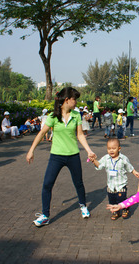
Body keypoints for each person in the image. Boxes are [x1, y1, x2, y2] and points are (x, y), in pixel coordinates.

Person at [27, 87, 97, 226]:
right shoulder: (53, 117)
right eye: (74, 99)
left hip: (73, 155)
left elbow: (80, 135)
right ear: (66, 100)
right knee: (47, 184)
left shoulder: (76, 115)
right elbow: (41, 134)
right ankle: (45, 215)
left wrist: (89, 150)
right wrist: (31, 150)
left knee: (78, 183)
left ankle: (83, 206)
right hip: (56, 156)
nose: (76, 102)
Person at [91, 138, 139, 220]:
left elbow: (129, 167)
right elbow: (99, 166)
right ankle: (115, 211)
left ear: (119, 148)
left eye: (114, 148)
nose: (111, 150)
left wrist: (135, 172)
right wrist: (94, 161)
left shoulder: (123, 158)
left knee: (121, 198)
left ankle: (125, 208)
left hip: (121, 184)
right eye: (109, 149)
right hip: (110, 185)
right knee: (112, 200)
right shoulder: (106, 158)